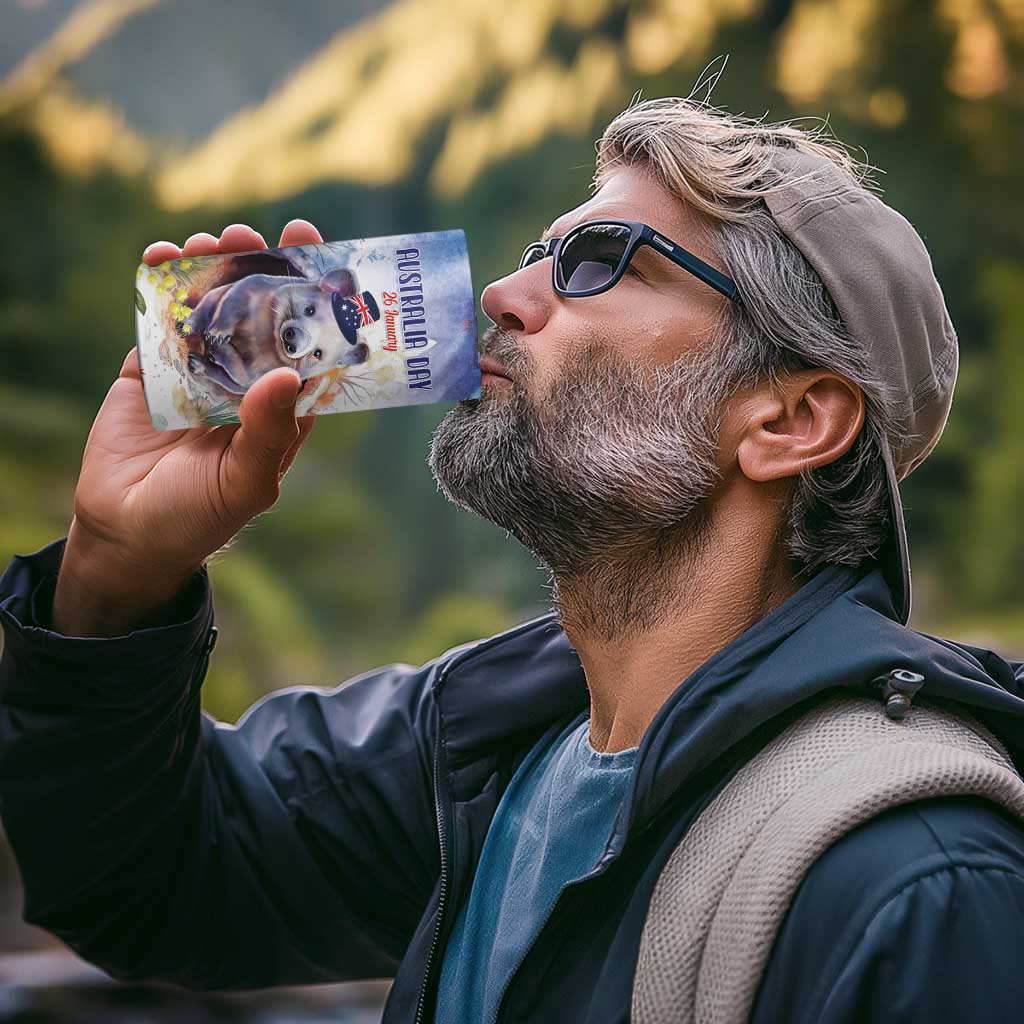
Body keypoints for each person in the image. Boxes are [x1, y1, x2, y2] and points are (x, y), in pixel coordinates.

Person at [2, 96, 1024, 1024]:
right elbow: (148, 880)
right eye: (540, 252)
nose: (501, 292)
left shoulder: (918, 883)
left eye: (599, 261)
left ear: (791, 419)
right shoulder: (480, 749)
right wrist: (116, 569)